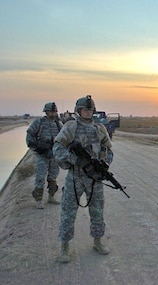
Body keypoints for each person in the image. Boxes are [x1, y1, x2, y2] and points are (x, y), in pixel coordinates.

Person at [53, 95, 113, 263]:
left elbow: (108, 150)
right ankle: (64, 247)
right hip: (76, 177)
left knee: (97, 211)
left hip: (94, 178)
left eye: (91, 109)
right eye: (85, 109)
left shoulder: (100, 128)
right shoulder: (71, 127)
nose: (88, 112)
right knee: (68, 212)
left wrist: (105, 165)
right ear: (78, 110)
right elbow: (57, 148)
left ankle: (98, 241)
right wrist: (75, 160)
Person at [26, 102, 63, 209]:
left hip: (54, 155)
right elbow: (30, 136)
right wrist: (37, 148)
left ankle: (51, 196)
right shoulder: (38, 122)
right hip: (41, 155)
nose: (53, 113)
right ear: (46, 112)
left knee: (53, 177)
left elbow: (64, 137)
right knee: (40, 178)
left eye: (54, 111)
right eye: (51, 111)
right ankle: (39, 199)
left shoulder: (58, 124)